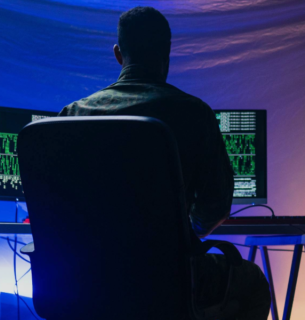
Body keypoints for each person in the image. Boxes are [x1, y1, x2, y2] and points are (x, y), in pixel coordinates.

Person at [59, 6, 270, 319]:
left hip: (85, 280)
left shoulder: (71, 116)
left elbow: (59, 208)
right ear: (167, 54)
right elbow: (215, 206)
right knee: (253, 284)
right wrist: (180, 238)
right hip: (168, 278)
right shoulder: (194, 114)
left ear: (118, 54)